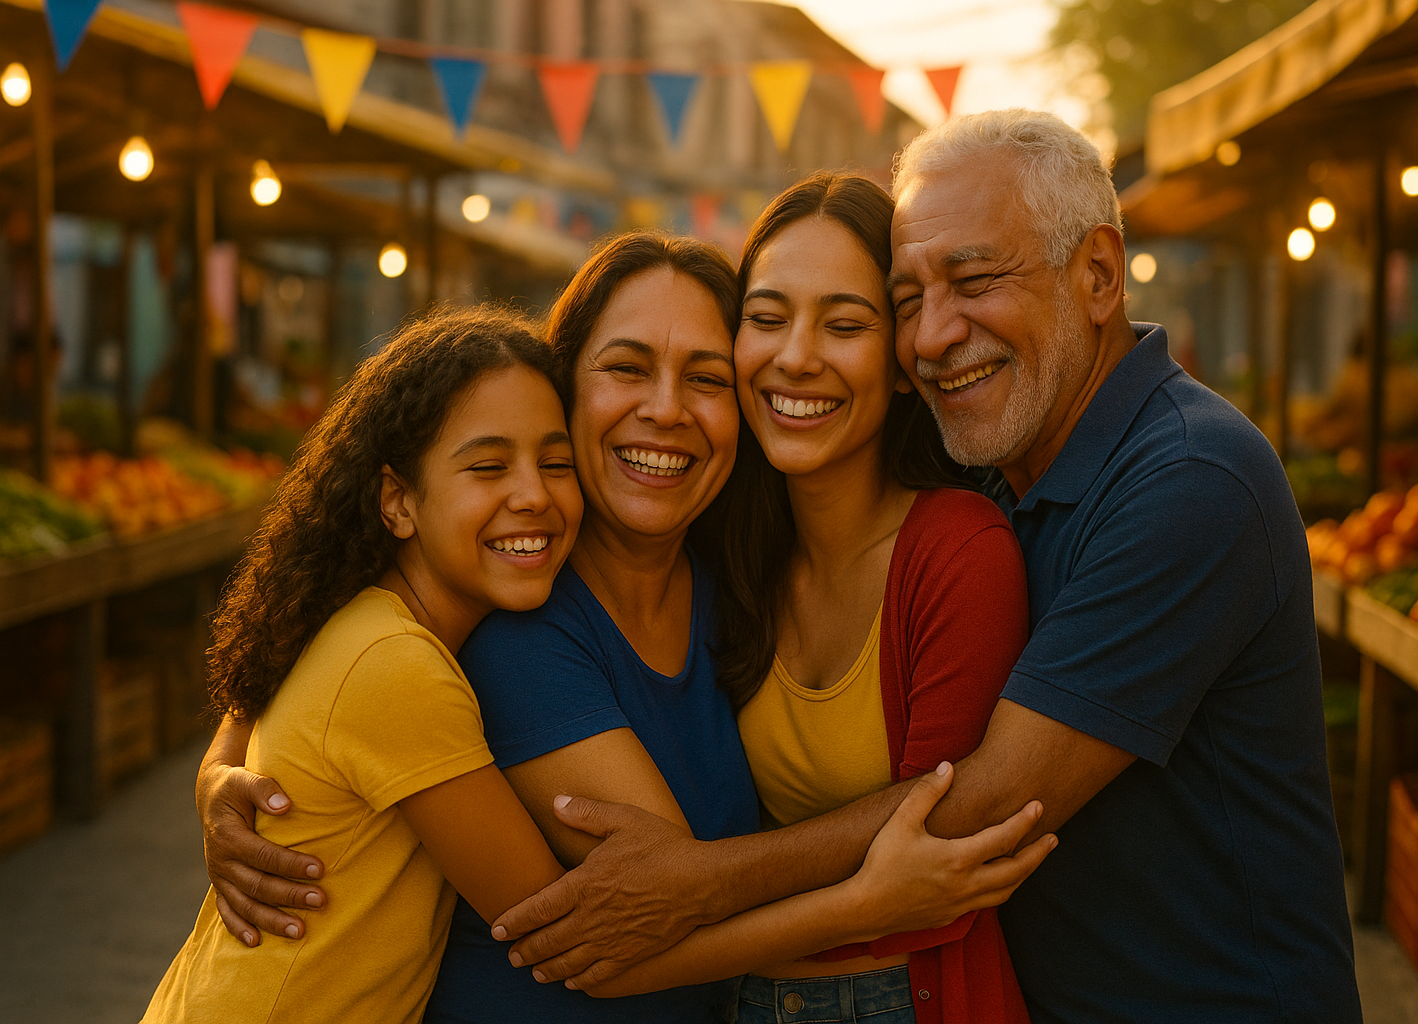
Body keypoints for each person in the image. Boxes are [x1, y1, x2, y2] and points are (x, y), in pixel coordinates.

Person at [489, 111, 1363, 1023]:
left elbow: (982, 800)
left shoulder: (1189, 476)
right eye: (910, 300)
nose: (935, 335)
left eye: (975, 281)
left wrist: (698, 881)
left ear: (1099, 275)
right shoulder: (984, 463)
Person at [193, 233, 1052, 1023]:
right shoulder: (516, 611)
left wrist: (220, 763)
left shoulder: (733, 572)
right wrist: (877, 899)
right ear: (562, 390)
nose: (667, 409)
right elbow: (655, 916)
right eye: (627, 368)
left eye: (708, 378)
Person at [142, 306, 580, 1023]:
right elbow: (551, 925)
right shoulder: (395, 662)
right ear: (397, 502)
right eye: (488, 466)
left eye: (556, 463)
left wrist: (214, 768)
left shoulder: (365, 618)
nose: (533, 494)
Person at [702, 172, 1030, 1023]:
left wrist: (690, 885)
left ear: (900, 364)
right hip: (729, 993)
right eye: (766, 318)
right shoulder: (720, 546)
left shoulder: (959, 551)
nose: (795, 356)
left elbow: (943, 837)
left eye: (843, 325)